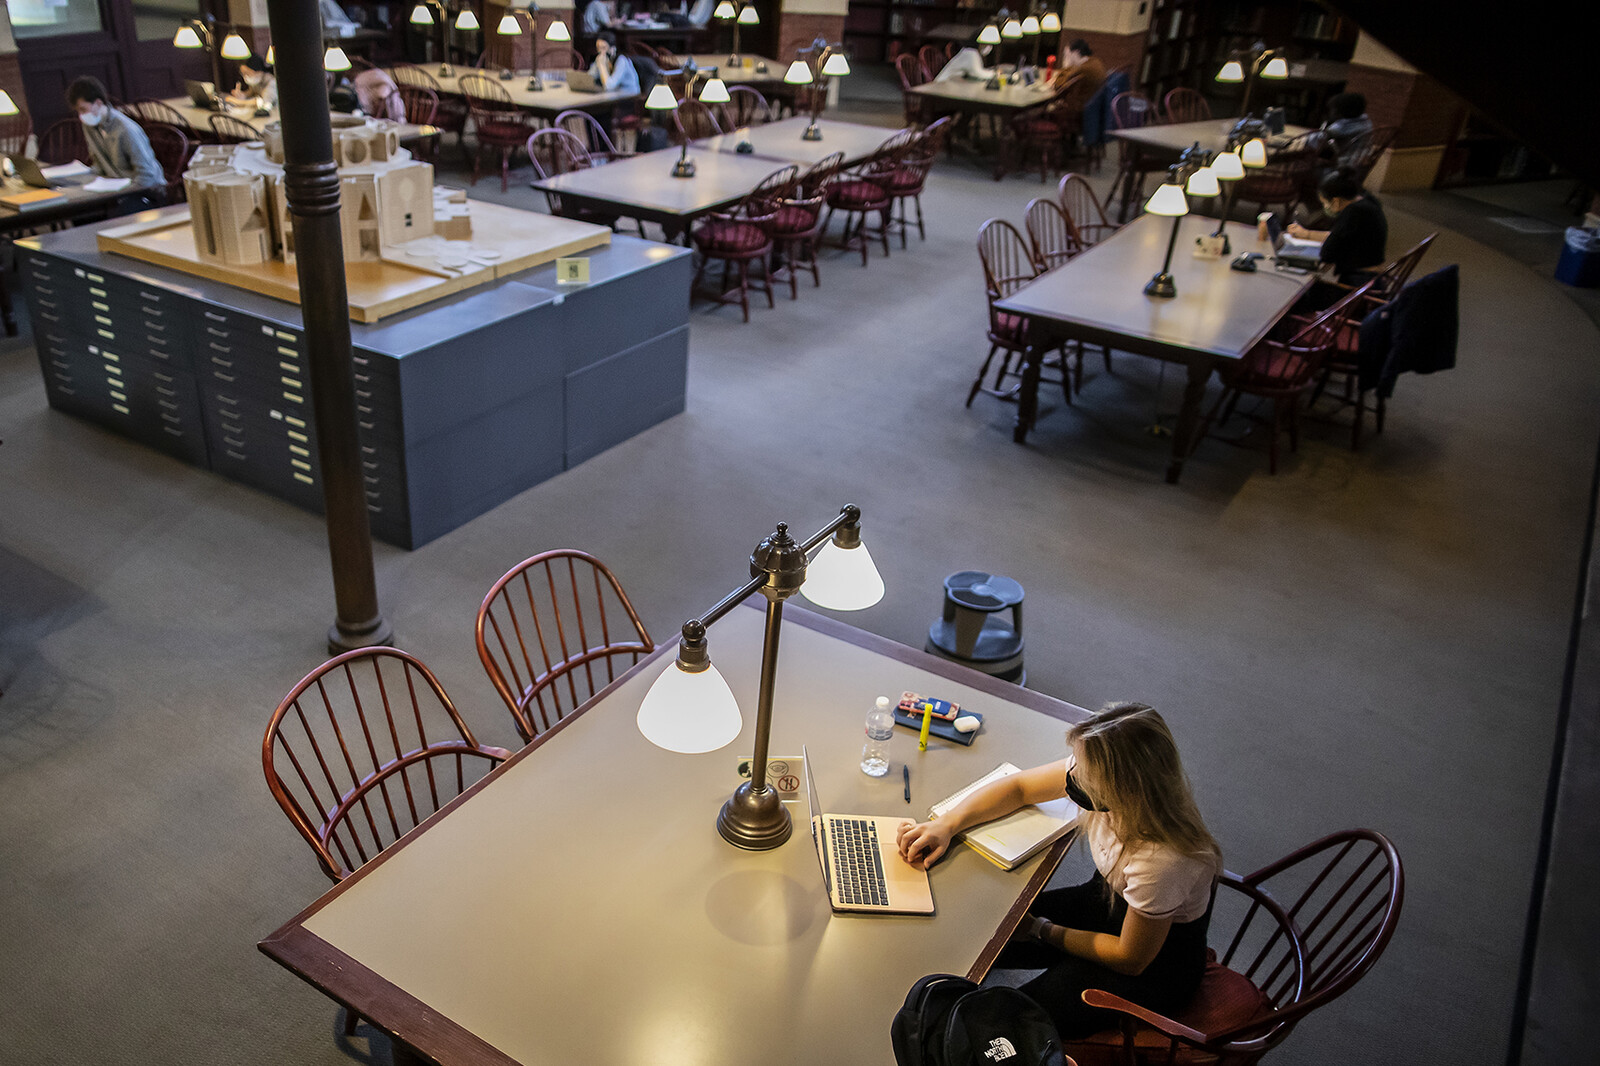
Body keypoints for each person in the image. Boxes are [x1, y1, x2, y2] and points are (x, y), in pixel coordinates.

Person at [896, 702, 1221, 1039]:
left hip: (1152, 967)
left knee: (1004, 1025)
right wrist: (948, 824)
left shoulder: (1160, 860)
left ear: (1122, 788)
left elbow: (1130, 958)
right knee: (975, 935)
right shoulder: (1107, 779)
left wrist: (1042, 930)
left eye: (1085, 772)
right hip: (1108, 902)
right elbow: (1020, 787)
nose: (1074, 773)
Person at [65, 76, 164, 193]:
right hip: (114, 187)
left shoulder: (126, 129)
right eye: (78, 111)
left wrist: (122, 194)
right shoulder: (90, 125)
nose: (81, 116)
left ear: (98, 103)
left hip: (146, 191)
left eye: (83, 109)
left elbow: (147, 175)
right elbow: (99, 164)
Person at [1289, 168, 1388, 283]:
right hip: (1374, 276)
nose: (1325, 207)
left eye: (1325, 202)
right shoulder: (1368, 202)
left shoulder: (1352, 213)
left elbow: (1327, 254)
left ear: (1336, 201)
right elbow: (1339, 237)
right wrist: (1306, 234)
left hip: (1358, 282)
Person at [1318, 91, 1374, 172]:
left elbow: (1319, 137)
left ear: (1342, 111)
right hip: (1361, 163)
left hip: (1343, 166)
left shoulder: (1343, 126)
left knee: (1305, 162)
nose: (1330, 112)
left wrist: (1326, 126)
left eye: (1332, 110)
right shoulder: (1366, 121)